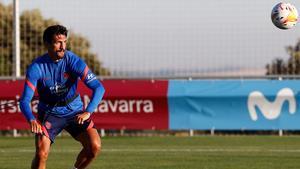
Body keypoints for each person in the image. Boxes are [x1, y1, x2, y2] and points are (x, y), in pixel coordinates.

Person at [20, 24, 105, 169]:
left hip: (75, 111)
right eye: (58, 42)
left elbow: (99, 88)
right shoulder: (36, 67)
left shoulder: (73, 61)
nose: (62, 46)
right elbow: (24, 101)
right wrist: (31, 119)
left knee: (94, 146)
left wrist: (88, 111)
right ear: (47, 44)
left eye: (65, 42)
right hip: (49, 113)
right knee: (41, 154)